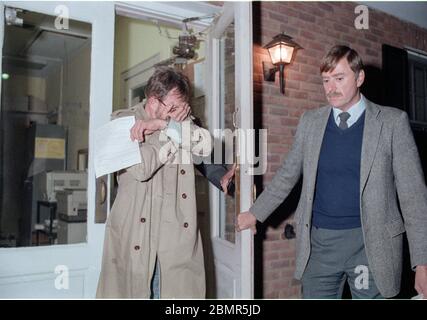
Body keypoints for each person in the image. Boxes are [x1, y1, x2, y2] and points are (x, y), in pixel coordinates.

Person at [237, 45, 427, 299]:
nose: (331, 87)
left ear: (359, 78)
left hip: (371, 245)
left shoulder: (392, 123)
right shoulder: (310, 122)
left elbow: (413, 196)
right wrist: (255, 213)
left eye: (339, 78)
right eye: (326, 80)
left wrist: (422, 262)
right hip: (320, 245)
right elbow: (287, 174)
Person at [96, 67, 214, 298]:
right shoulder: (122, 120)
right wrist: (169, 133)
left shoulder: (177, 121)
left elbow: (206, 147)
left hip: (174, 239)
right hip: (134, 235)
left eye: (183, 108)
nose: (179, 113)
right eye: (174, 108)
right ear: (153, 101)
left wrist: (164, 125)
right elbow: (141, 168)